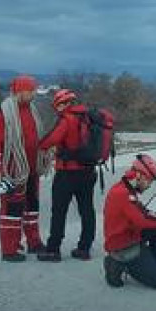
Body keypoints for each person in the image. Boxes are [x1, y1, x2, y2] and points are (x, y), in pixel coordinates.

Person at [0, 75, 52, 262]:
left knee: (32, 207)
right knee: (12, 209)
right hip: (12, 171)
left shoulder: (31, 111)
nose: (33, 94)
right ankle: (9, 249)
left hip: (31, 170)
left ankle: (34, 242)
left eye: (34, 90)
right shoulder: (2, 114)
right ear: (20, 91)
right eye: (30, 90)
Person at [102, 155, 156, 288]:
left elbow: (140, 214)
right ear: (138, 175)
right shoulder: (123, 194)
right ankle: (116, 263)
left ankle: (150, 254)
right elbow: (142, 221)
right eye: (149, 180)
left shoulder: (126, 188)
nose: (149, 185)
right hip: (124, 246)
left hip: (131, 233)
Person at [36, 89, 98, 262]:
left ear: (64, 103)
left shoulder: (67, 119)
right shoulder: (88, 117)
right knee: (86, 210)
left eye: (58, 105)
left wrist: (38, 144)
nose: (57, 109)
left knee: (59, 211)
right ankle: (84, 248)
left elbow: (50, 140)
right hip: (88, 171)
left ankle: (53, 249)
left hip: (67, 173)